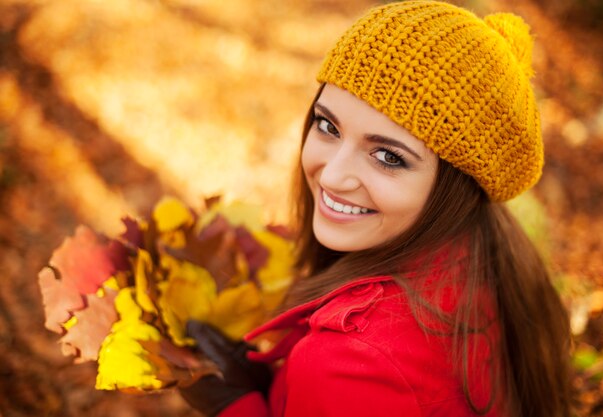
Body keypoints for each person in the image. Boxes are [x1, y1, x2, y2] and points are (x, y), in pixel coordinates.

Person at [180, 1, 572, 416]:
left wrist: (237, 408)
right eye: (328, 126)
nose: (331, 176)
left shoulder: (350, 361)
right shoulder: (487, 256)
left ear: (456, 187)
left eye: (388, 157)